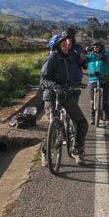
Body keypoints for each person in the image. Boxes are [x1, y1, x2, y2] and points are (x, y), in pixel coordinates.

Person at [40, 33, 89, 166]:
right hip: (52, 96)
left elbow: (69, 78)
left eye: (66, 44)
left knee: (82, 123)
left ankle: (78, 151)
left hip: (66, 95)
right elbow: (43, 79)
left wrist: (74, 85)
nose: (66, 46)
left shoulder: (67, 59)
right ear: (56, 47)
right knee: (53, 126)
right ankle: (45, 152)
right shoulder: (51, 59)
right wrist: (55, 86)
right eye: (63, 45)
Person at [86, 39, 109, 125]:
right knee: (93, 99)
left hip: (105, 78)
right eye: (94, 47)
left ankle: (107, 116)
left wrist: (94, 52)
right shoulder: (91, 55)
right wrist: (82, 53)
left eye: (97, 47)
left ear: (101, 47)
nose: (95, 48)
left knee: (105, 99)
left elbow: (104, 58)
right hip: (93, 79)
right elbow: (84, 59)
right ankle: (92, 116)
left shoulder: (106, 54)